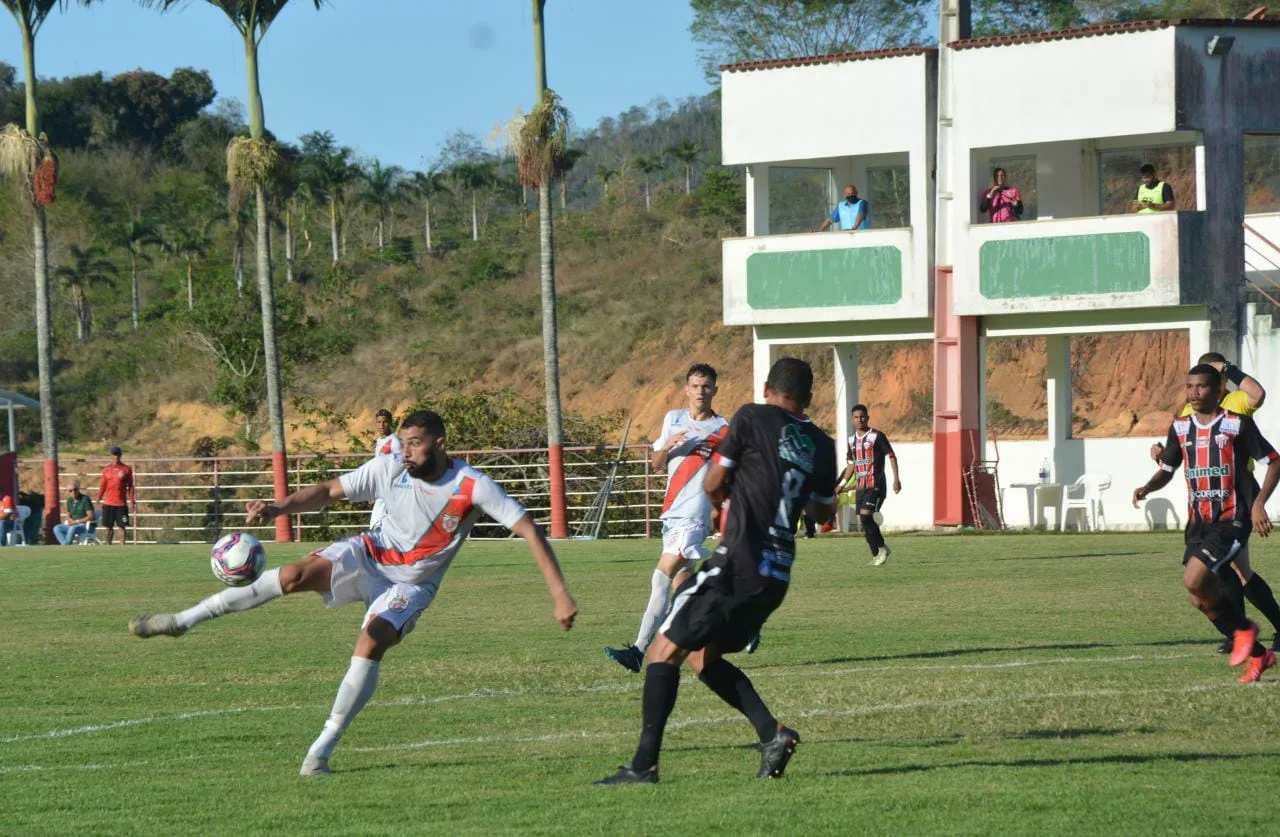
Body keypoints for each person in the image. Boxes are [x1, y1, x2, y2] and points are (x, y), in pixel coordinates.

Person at [128, 410, 578, 774]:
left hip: (411, 584)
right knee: (293, 576)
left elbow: (529, 530)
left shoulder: (471, 485)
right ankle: (182, 621)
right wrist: (276, 507)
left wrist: (559, 594)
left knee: (370, 642)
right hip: (369, 554)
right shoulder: (388, 468)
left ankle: (321, 750)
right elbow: (327, 490)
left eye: (415, 443)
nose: (406, 451)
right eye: (403, 442)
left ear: (440, 444)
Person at [596, 358, 837, 785]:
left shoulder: (751, 416)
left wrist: (719, 504)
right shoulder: (821, 442)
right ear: (810, 398)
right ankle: (773, 733)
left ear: (767, 389)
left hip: (738, 561)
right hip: (776, 574)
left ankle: (642, 767)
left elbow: (712, 481)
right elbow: (820, 512)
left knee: (662, 651)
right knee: (703, 659)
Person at [1132, 364, 1280, 683]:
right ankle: (1259, 655)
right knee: (1200, 597)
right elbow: (1169, 468)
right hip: (1198, 523)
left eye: (1201, 387)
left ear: (1219, 392)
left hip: (1231, 518)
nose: (1194, 393)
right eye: (1189, 387)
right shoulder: (1181, 427)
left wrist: (1258, 504)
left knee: (1194, 579)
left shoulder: (1235, 425)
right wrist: (1147, 487)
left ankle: (1244, 630)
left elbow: (1274, 460)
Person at [605, 363, 729, 673]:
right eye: (695, 385)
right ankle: (731, 630)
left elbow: (726, 475)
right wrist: (669, 445)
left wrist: (719, 511)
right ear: (686, 389)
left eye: (706, 386)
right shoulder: (673, 419)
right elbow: (658, 462)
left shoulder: (724, 429)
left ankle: (638, 650)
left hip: (694, 517)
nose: (701, 391)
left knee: (660, 576)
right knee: (685, 589)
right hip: (671, 514)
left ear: (715, 389)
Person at [836, 404, 901, 566]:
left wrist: (896, 478)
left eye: (863, 416)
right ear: (852, 420)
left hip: (876, 484)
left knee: (865, 515)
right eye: (857, 417)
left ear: (868, 417)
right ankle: (878, 552)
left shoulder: (877, 436)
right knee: (865, 520)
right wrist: (841, 484)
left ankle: (881, 549)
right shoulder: (851, 440)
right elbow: (851, 465)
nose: (860, 420)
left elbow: (891, 456)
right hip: (861, 486)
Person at [370, 408, 403, 529]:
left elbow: (402, 464)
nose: (381, 425)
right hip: (382, 488)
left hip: (391, 488)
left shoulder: (394, 442)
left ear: (390, 423)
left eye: (384, 422)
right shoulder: (380, 441)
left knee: (376, 523)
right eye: (378, 422)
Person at [98, 446, 135, 545]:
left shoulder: (126, 469)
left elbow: (131, 486)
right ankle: (108, 545)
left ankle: (122, 546)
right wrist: (99, 497)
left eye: (117, 454)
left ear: (120, 455)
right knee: (108, 526)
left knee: (121, 526)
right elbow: (103, 485)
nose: (116, 456)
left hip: (121, 503)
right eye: (114, 454)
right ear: (111, 456)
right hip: (108, 502)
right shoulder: (106, 469)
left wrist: (131, 501)